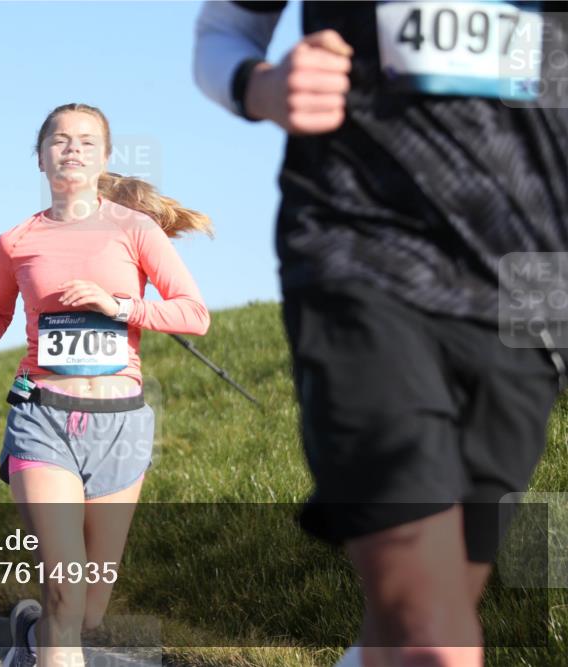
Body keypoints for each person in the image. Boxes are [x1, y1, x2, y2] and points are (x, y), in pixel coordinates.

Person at [195, 2, 567, 666]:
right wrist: (260, 85)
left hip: (534, 284)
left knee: (409, 630)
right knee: (435, 639)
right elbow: (224, 30)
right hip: (363, 251)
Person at [0, 103, 212, 667]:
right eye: (59, 139)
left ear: (104, 157)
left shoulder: (135, 229)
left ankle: (28, 639)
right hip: (42, 418)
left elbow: (194, 313)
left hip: (120, 424)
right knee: (65, 591)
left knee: (88, 611)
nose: (72, 148)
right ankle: (45, 625)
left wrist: (117, 305)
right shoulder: (14, 241)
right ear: (41, 155)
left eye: (86, 140)